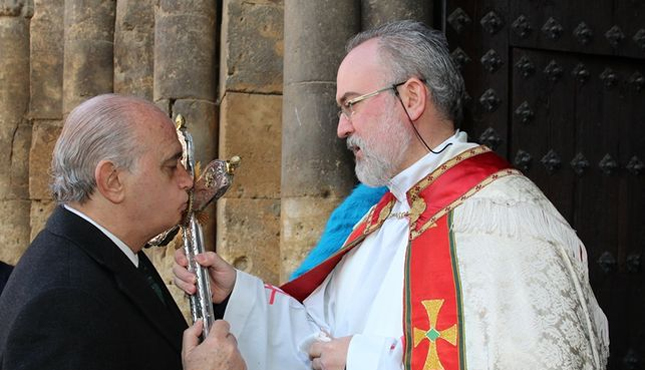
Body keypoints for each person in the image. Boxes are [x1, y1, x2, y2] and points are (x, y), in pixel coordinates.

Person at [174, 20, 609, 370]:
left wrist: (361, 361)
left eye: (352, 104)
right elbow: (319, 336)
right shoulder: (386, 214)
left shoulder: (504, 218)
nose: (342, 128)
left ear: (413, 97)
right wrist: (238, 294)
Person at [0, 94, 245, 370]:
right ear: (112, 180)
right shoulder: (62, 301)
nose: (188, 180)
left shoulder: (109, 251)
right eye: (171, 166)